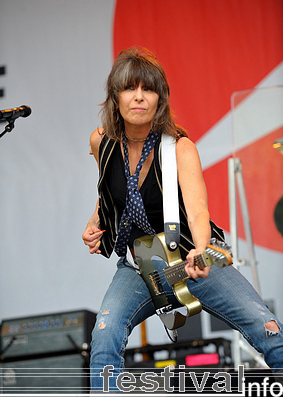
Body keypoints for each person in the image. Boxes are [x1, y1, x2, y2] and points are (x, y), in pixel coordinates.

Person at [82, 47, 283, 392]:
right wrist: (94, 223)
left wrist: (201, 250)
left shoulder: (179, 148)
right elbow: (112, 194)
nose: (139, 97)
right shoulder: (102, 143)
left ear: (160, 100)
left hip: (191, 261)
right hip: (143, 273)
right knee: (103, 340)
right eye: (130, 89)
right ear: (115, 98)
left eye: (148, 89)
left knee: (269, 333)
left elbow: (199, 209)